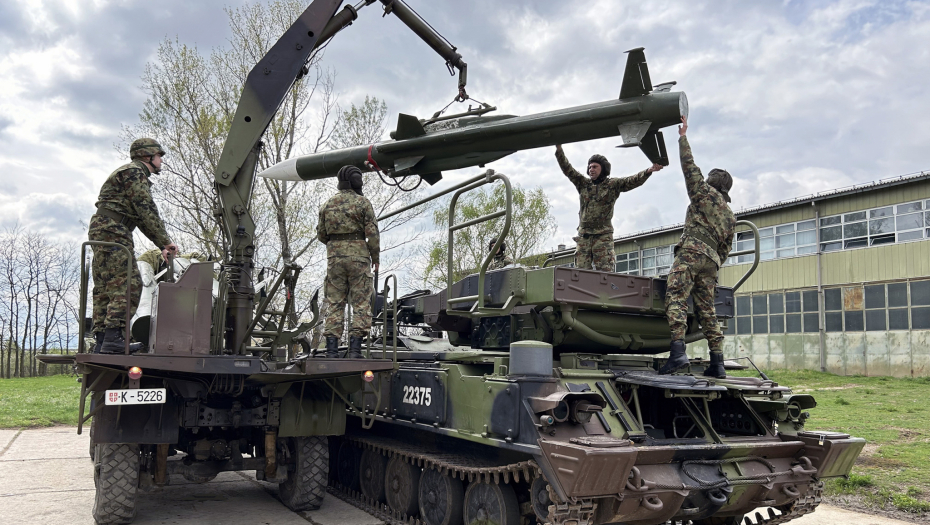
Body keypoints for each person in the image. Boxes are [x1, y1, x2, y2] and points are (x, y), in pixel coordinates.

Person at [659, 116, 736, 378]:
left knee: (676, 297)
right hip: (711, 262)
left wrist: (682, 137)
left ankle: (678, 353)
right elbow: (725, 248)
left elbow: (689, 166)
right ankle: (718, 362)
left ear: (713, 183)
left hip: (692, 252)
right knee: (707, 310)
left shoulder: (703, 194)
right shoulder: (730, 215)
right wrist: (712, 261)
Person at [89, 138, 177, 354]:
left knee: (106, 286)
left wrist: (161, 245)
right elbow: (146, 210)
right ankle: (113, 339)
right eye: (159, 157)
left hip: (105, 229)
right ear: (148, 157)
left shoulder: (127, 172)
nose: (161, 162)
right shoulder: (135, 172)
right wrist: (166, 241)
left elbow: (139, 216)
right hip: (114, 230)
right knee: (128, 283)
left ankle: (102, 341)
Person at [555, 145, 663, 271]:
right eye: (589, 167)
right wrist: (559, 150)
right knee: (580, 272)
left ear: (603, 168)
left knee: (605, 271)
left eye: (595, 166)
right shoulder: (583, 184)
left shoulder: (612, 185)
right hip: (584, 236)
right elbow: (568, 169)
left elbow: (631, 181)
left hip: (603, 235)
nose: (591, 169)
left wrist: (648, 171)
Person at [317, 165, 380, 358]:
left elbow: (321, 235)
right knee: (361, 303)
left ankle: (331, 351)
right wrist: (375, 258)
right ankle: (354, 351)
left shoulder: (327, 204)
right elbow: (372, 235)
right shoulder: (363, 203)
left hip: (334, 259)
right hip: (359, 259)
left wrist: (337, 245)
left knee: (335, 303)